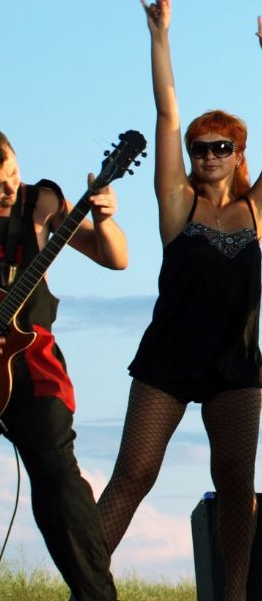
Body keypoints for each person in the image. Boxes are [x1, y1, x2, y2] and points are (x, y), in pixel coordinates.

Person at [98, 0, 262, 601]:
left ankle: (233, 594)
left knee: (237, 480)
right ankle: (86, 580)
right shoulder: (178, 206)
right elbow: (165, 114)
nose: (208, 156)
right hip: (168, 360)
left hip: (235, 365)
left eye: (221, 148)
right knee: (134, 474)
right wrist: (160, 37)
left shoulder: (255, 209)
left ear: (237, 154)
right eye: (200, 148)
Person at [0, 132, 128, 600]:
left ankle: (96, 594)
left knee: (57, 478)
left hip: (33, 365)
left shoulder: (42, 202)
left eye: (11, 173)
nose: (8, 188)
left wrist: (106, 221)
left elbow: (115, 259)